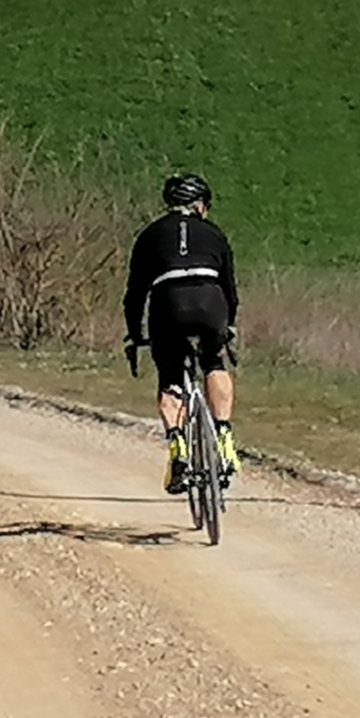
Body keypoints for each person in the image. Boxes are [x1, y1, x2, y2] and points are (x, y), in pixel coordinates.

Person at [124, 173, 239, 495]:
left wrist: (135, 334)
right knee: (214, 363)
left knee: (170, 375)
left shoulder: (149, 234)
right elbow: (229, 287)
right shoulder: (214, 233)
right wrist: (228, 326)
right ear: (202, 205)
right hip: (211, 300)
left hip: (168, 305)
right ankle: (224, 434)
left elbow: (135, 293)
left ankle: (177, 443)